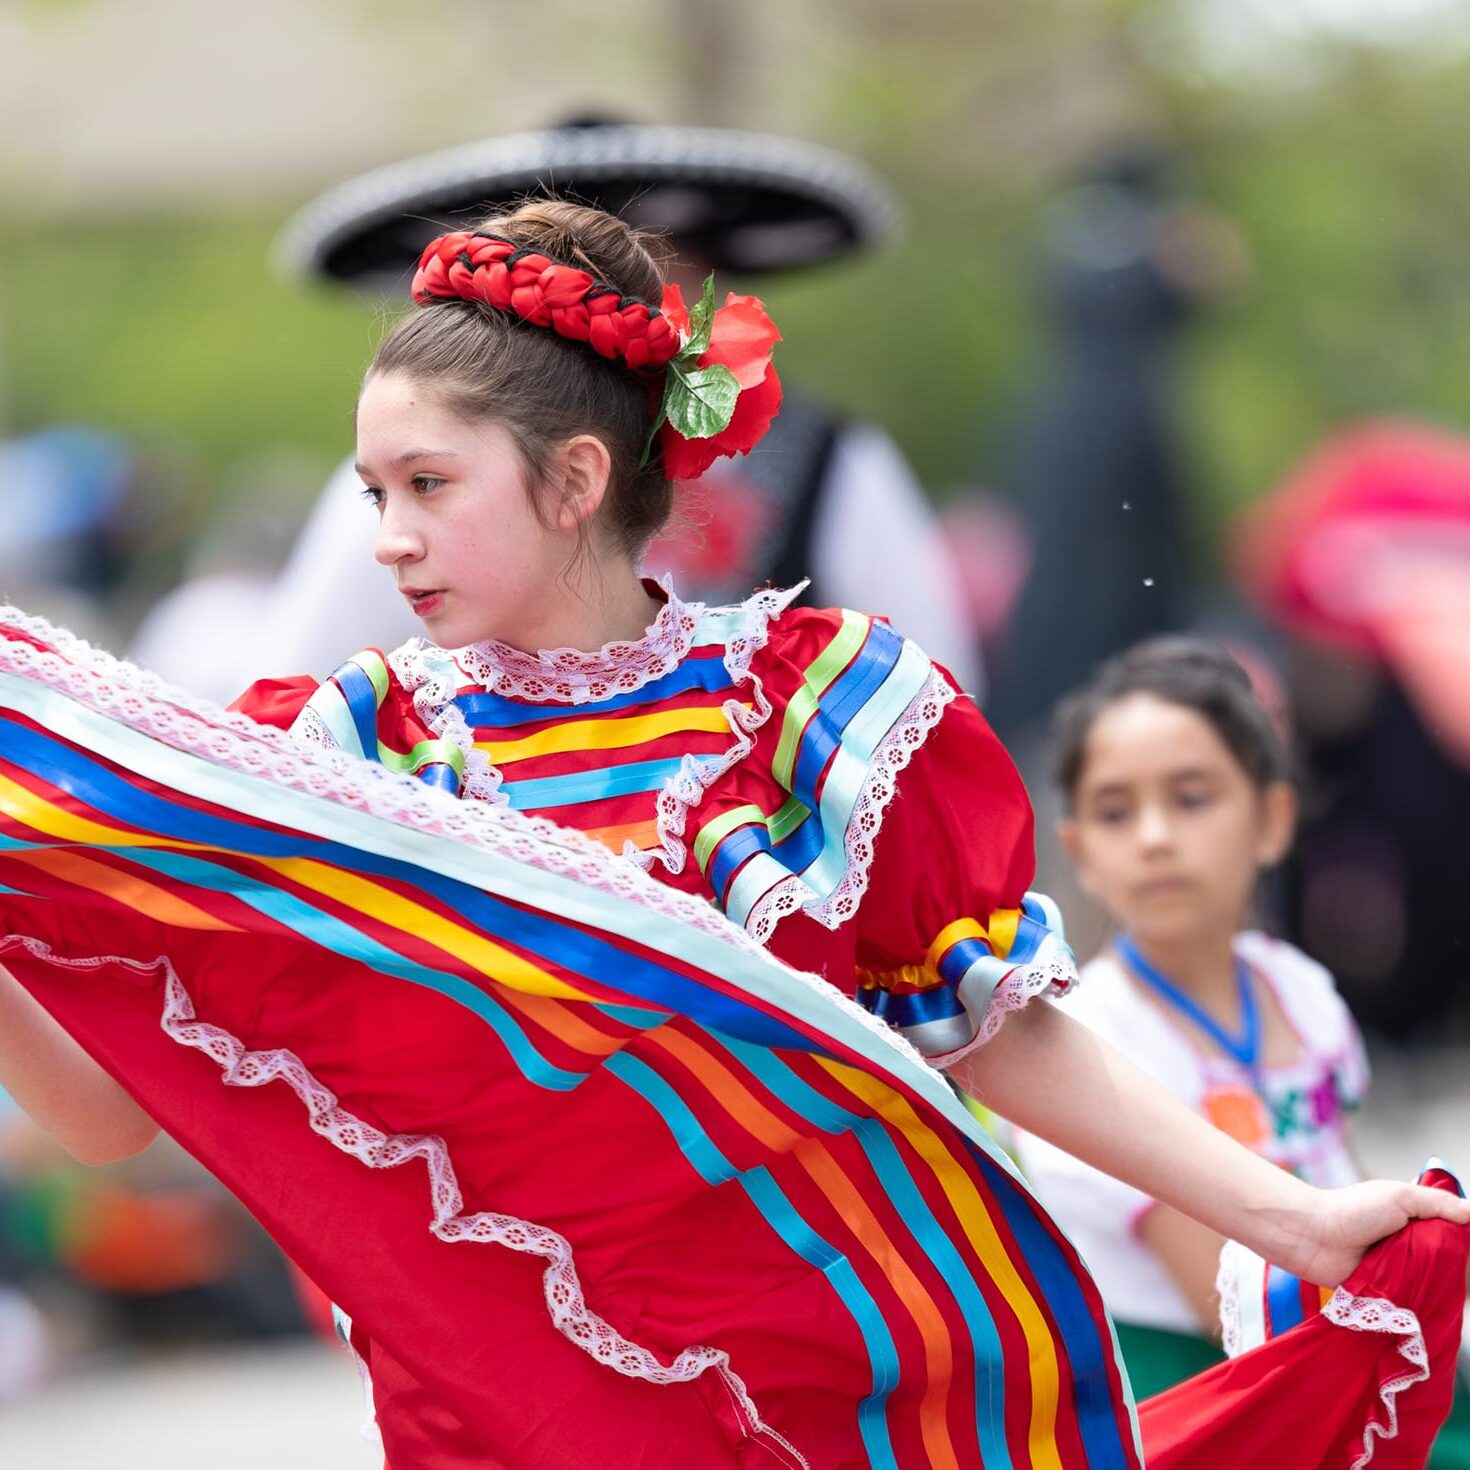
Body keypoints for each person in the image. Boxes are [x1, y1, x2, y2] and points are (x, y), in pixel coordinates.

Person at [0, 201, 1465, 1468]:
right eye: (375, 490)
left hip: (822, 1374)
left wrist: (1286, 1216)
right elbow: (121, 1112)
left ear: (576, 480)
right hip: (501, 1405)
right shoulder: (345, 760)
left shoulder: (817, 712)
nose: (386, 534)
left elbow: (999, 1029)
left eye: (428, 487)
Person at [253, 117, 981, 696]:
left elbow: (934, 684)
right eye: (567, 276)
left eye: (645, 267)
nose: (605, 301)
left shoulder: (826, 458)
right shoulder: (420, 465)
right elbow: (301, 682)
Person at [1014, 635, 1470, 1462]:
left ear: (1272, 819)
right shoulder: (1085, 1039)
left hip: (1350, 1337)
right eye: (1116, 811)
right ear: (1078, 850)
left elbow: (1347, 1171)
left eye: (1192, 798)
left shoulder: (1301, 988)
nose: (1153, 836)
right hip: (1203, 1394)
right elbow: (1229, 1306)